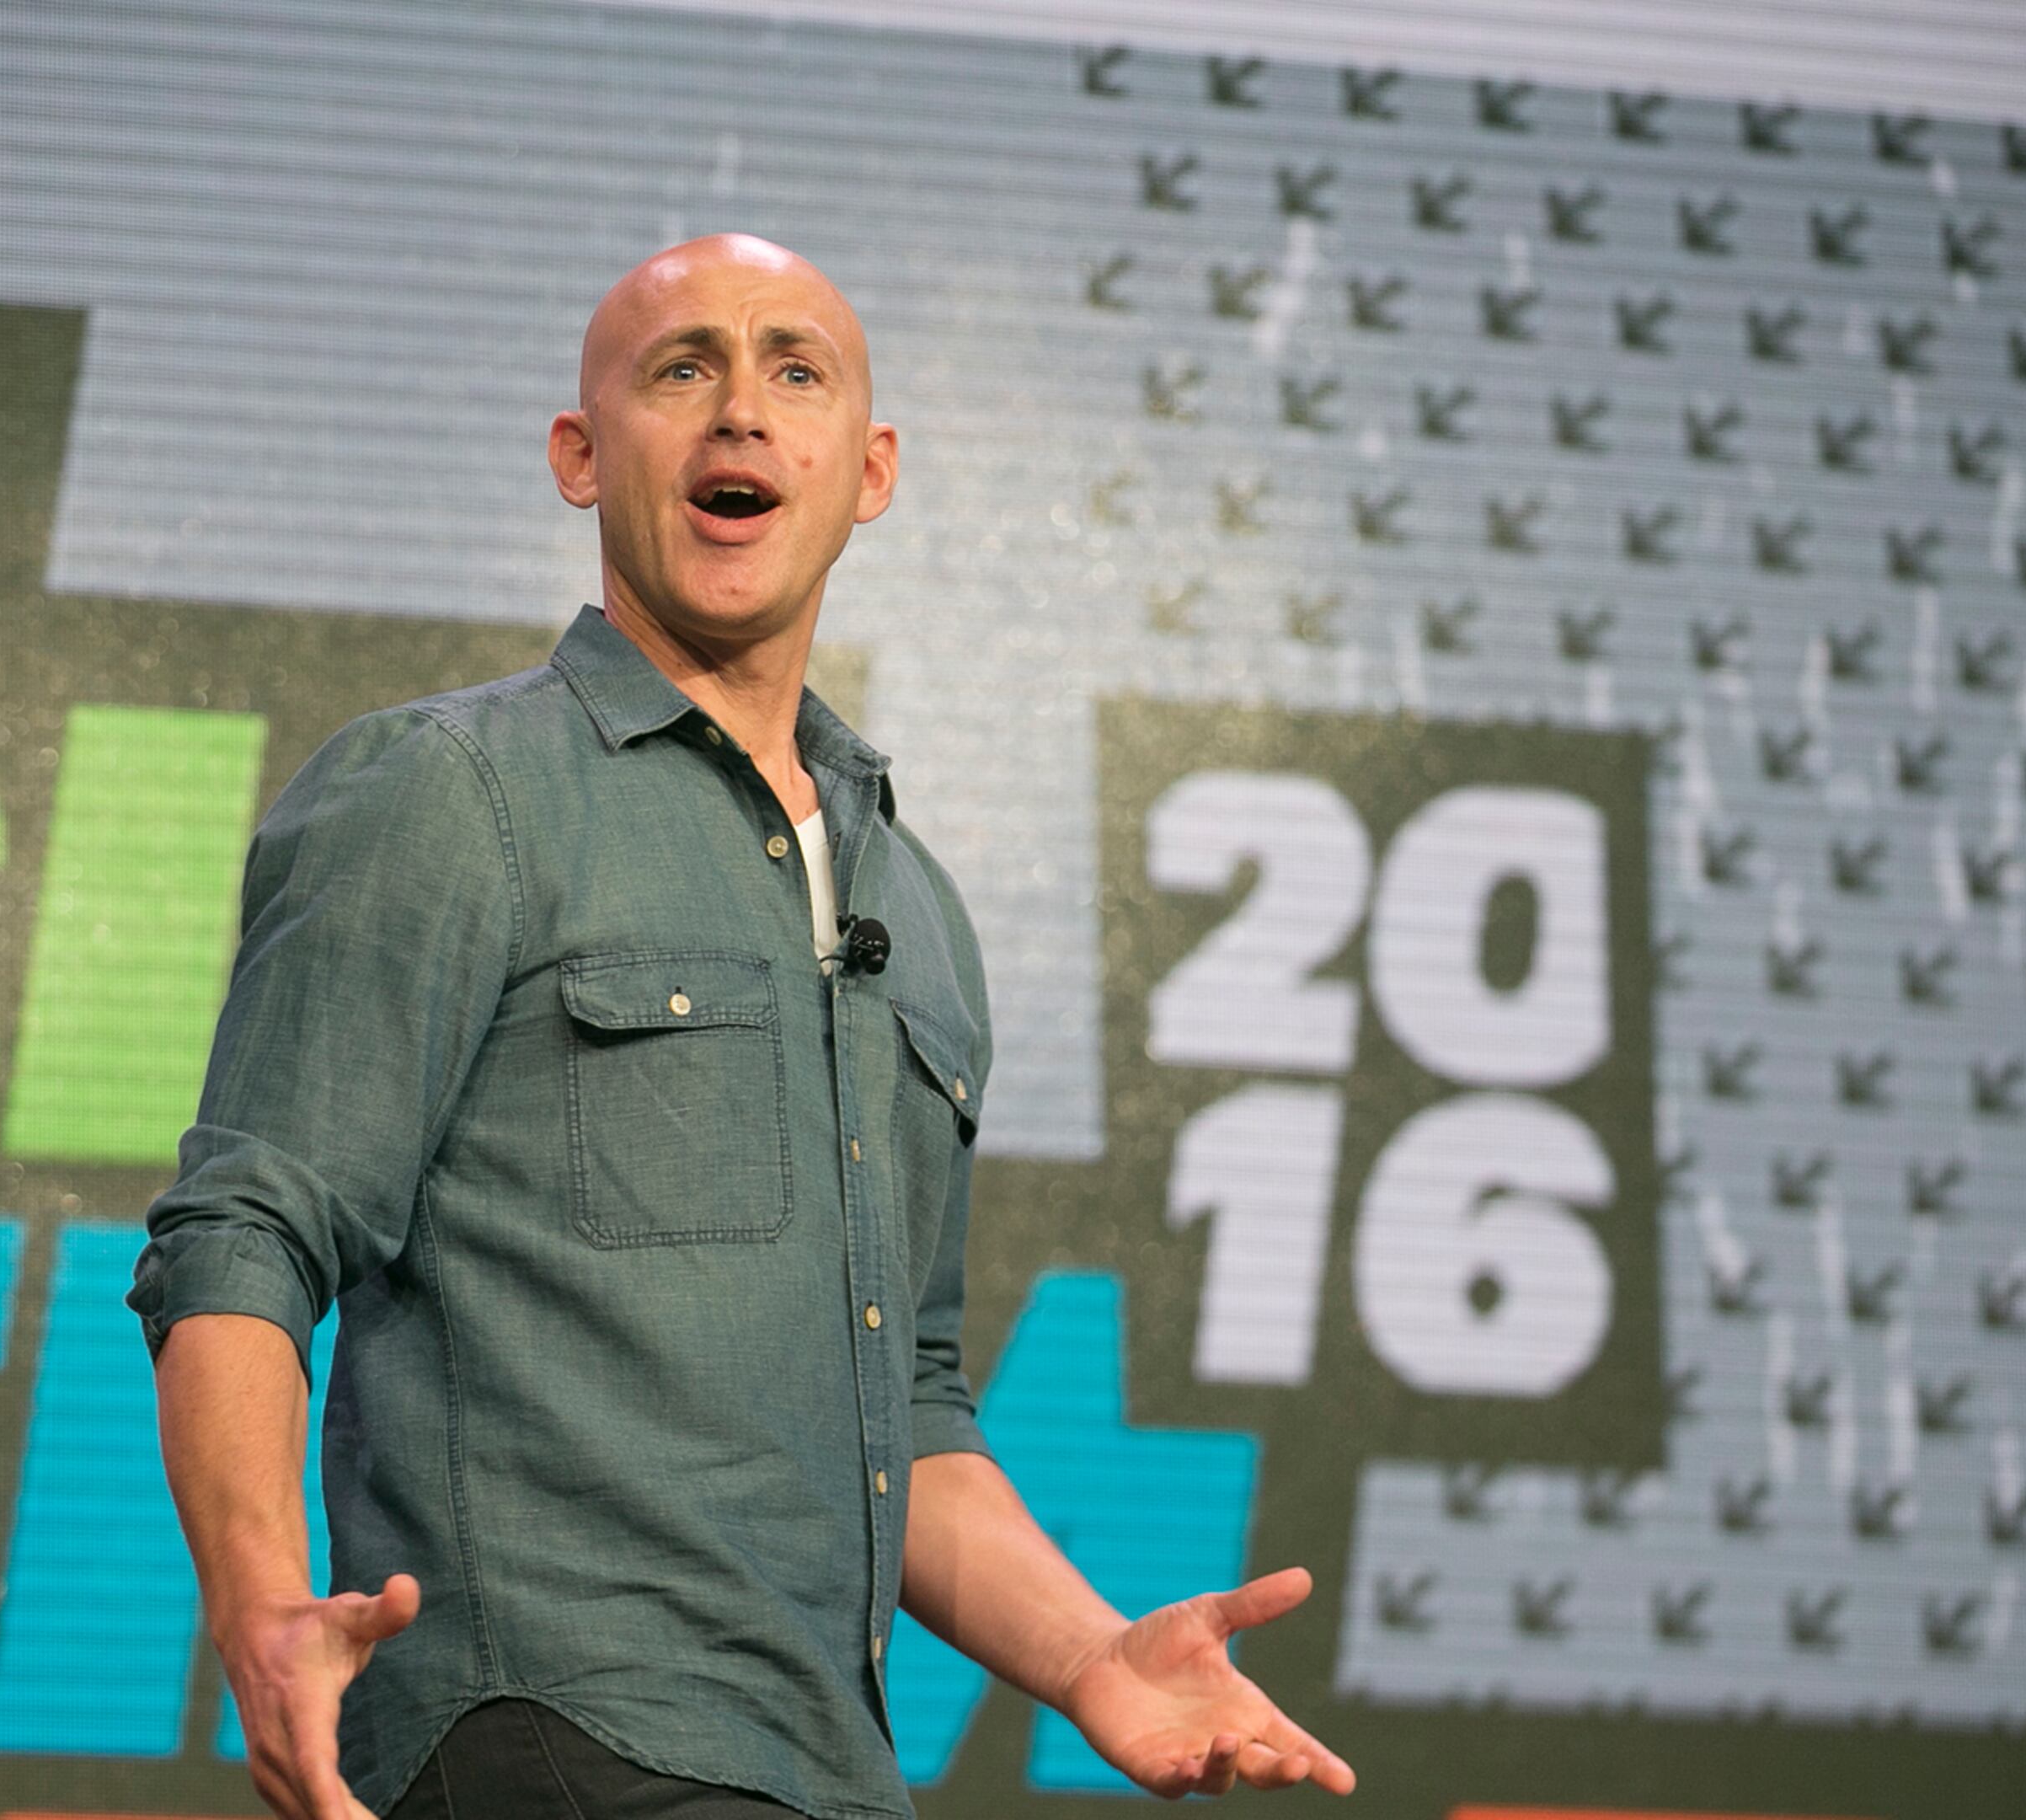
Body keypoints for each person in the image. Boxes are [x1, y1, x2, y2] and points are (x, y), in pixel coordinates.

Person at [130, 233, 1354, 1820]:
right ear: (582, 457)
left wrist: (1090, 1660)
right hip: (551, 1723)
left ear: (870, 470)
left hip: (825, 1773)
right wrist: (260, 1601)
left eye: (795, 371)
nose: (741, 413)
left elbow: (908, 1405)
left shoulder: (917, 910)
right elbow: (246, 1230)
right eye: (682, 369)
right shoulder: (450, 791)